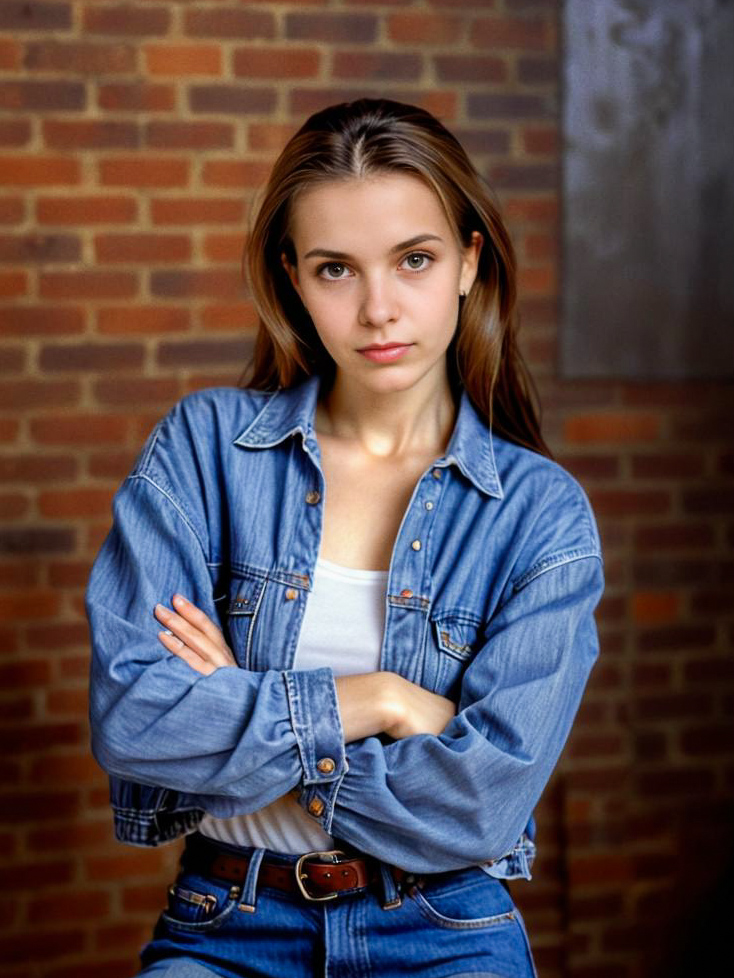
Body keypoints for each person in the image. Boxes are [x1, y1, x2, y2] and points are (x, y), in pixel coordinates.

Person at [86, 98, 603, 978]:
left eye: (414, 260)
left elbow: (480, 805)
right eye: (335, 269)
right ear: (292, 277)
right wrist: (385, 702)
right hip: (225, 928)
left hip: (443, 931)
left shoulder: (540, 515)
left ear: (470, 262)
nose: (378, 309)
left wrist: (246, 710)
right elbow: (136, 720)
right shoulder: (204, 451)